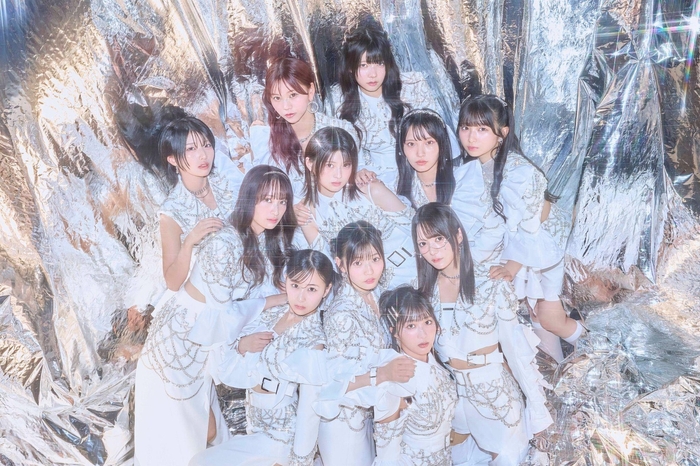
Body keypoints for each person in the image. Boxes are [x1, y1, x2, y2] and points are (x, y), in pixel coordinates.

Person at [134, 165, 296, 466]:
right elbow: (223, 314)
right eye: (266, 200)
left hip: (202, 342)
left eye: (282, 201)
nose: (275, 209)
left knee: (204, 432)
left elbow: (239, 305)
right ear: (249, 198)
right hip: (179, 343)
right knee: (180, 438)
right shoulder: (226, 242)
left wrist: (279, 297)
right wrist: (267, 306)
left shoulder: (261, 239)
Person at [412, 203, 552, 465]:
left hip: (496, 397)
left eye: (438, 239)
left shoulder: (491, 283)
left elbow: (517, 353)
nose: (432, 250)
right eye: (423, 243)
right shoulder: (423, 293)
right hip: (452, 401)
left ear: (458, 235)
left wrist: (538, 412)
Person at [457, 94, 583, 362]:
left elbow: (532, 227)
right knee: (536, 315)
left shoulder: (519, 172)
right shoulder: (471, 168)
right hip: (517, 246)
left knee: (549, 318)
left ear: (502, 134)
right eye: (466, 127)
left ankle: (604, 355)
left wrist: (511, 267)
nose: (471, 137)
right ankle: (555, 371)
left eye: (482, 129)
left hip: (543, 245)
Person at [189, 250, 336, 466]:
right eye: (295, 285)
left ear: (326, 290)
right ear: (286, 279)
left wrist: (299, 461)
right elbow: (226, 364)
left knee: (201, 462)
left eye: (312, 289)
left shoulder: (314, 341)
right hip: (254, 428)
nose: (301, 297)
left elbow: (309, 411)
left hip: (280, 437)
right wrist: (242, 345)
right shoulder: (272, 313)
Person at [315, 221, 416, 466]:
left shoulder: (377, 294)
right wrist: (383, 374)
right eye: (358, 263)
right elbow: (335, 383)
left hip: (371, 418)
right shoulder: (341, 314)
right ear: (340, 265)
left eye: (375, 259)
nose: (369, 270)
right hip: (343, 425)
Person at [295, 126, 417, 289]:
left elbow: (418, 228)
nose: (338, 174)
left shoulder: (369, 188)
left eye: (346, 165)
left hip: (411, 269)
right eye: (330, 165)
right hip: (365, 289)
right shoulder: (307, 212)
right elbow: (328, 268)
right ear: (310, 163)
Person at [334, 20, 459, 176]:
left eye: (379, 63)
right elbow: (345, 151)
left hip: (424, 168)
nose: (373, 74)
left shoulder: (413, 85)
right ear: (350, 68)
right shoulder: (340, 99)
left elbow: (437, 134)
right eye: (363, 65)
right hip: (377, 175)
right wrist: (360, 171)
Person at [370, 285, 458, 466]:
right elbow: (387, 455)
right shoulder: (395, 379)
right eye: (411, 325)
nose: (423, 334)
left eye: (427, 322)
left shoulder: (439, 365)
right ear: (394, 332)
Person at [249, 56, 359, 201]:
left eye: (293, 95)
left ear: (311, 91)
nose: (286, 106)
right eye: (277, 98)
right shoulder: (265, 140)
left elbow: (354, 183)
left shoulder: (340, 131)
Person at [382, 108, 455, 209]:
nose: (420, 153)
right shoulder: (392, 186)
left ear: (442, 144)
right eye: (411, 144)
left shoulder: (462, 179)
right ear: (402, 148)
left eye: (429, 142)